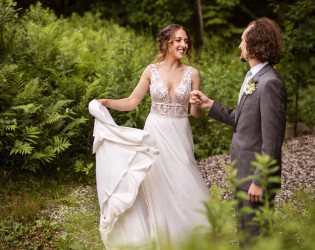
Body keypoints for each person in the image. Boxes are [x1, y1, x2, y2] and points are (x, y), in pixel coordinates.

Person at [96, 24, 210, 248]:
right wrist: (106, 103)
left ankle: (188, 238)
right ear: (167, 42)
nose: (184, 45)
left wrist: (197, 104)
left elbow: (195, 114)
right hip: (155, 131)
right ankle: (160, 239)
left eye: (186, 41)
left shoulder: (193, 73)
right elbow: (131, 102)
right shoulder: (151, 70)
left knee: (183, 179)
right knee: (156, 184)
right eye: (178, 40)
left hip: (179, 133)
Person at [190, 17, 287, 245]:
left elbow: (272, 140)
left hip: (255, 178)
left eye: (242, 40)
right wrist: (209, 104)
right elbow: (242, 120)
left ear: (255, 44)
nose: (239, 45)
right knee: (245, 238)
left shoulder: (270, 82)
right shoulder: (253, 77)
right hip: (242, 172)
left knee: (257, 239)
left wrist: (260, 181)